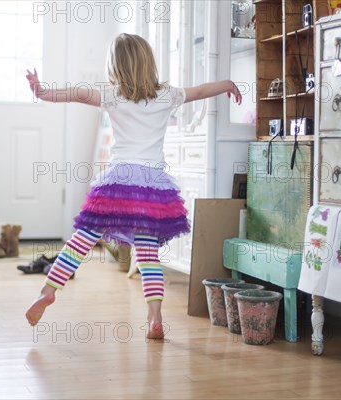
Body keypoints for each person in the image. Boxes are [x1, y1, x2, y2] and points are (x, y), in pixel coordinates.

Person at [25, 33, 242, 340]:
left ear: (115, 66)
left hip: (118, 182)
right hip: (153, 187)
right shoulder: (167, 95)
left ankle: (48, 290)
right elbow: (203, 90)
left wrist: (43, 91)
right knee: (148, 254)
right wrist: (228, 84)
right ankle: (155, 317)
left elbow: (75, 93)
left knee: (82, 239)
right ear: (148, 62)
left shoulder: (112, 95)